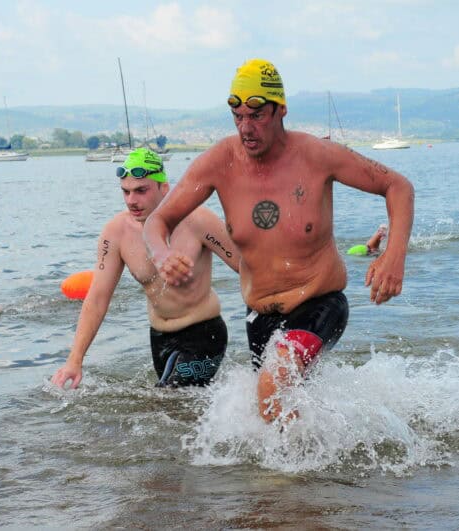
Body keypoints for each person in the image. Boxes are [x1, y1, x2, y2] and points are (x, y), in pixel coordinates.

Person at [143, 58, 415, 423]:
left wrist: (394, 255)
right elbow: (157, 221)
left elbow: (398, 186)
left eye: (257, 116)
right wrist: (161, 254)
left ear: (280, 109)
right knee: (273, 416)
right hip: (259, 318)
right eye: (238, 117)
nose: (246, 128)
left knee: (274, 383)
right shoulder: (219, 162)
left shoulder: (317, 155)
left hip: (319, 304)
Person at [51, 147, 240, 390]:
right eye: (126, 191)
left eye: (141, 190)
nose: (132, 200)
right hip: (159, 339)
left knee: (168, 398)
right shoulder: (116, 232)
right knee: (174, 404)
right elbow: (97, 298)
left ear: (164, 188)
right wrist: (74, 361)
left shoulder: (198, 220)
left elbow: (246, 267)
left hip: (204, 334)